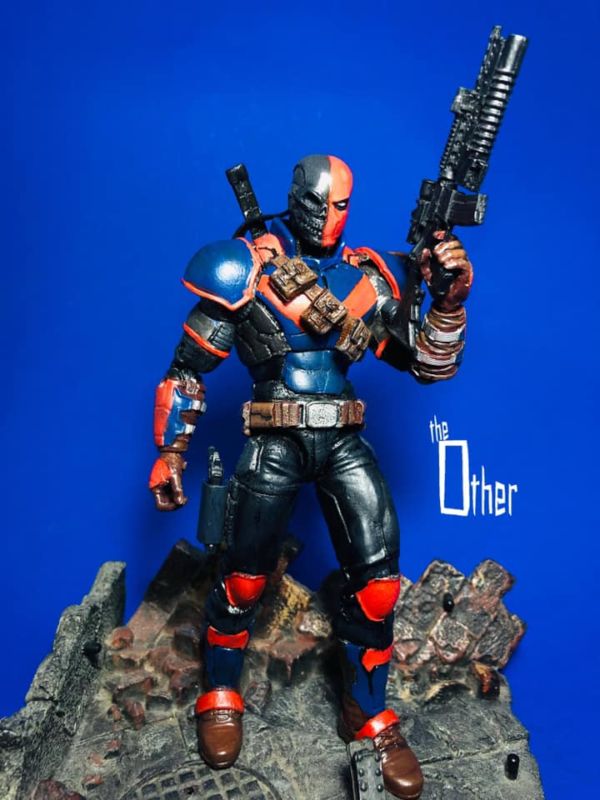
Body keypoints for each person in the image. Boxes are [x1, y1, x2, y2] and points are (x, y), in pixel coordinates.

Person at [149, 155, 473, 800]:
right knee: (243, 578)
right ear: (295, 200)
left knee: (380, 586)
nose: (330, 216)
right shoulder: (245, 269)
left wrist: (448, 301)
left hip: (343, 440)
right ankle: (220, 692)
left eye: (342, 205)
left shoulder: (369, 279)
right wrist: (172, 450)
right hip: (274, 439)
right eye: (320, 203)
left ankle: (366, 712)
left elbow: (429, 365)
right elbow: (187, 367)